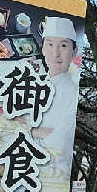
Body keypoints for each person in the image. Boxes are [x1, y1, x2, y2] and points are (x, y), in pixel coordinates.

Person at [37, 16, 79, 154]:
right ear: (42, 49)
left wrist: (31, 130)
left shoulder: (72, 93)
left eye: (63, 45)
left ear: (74, 51)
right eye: (50, 44)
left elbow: (60, 140)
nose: (55, 54)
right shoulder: (38, 82)